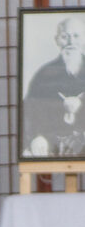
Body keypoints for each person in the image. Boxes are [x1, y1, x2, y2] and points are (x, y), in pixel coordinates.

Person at [23, 15, 85, 157]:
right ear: (57, 40)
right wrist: (36, 136)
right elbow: (31, 111)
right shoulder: (44, 74)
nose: (71, 42)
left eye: (76, 36)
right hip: (52, 140)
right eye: (65, 36)